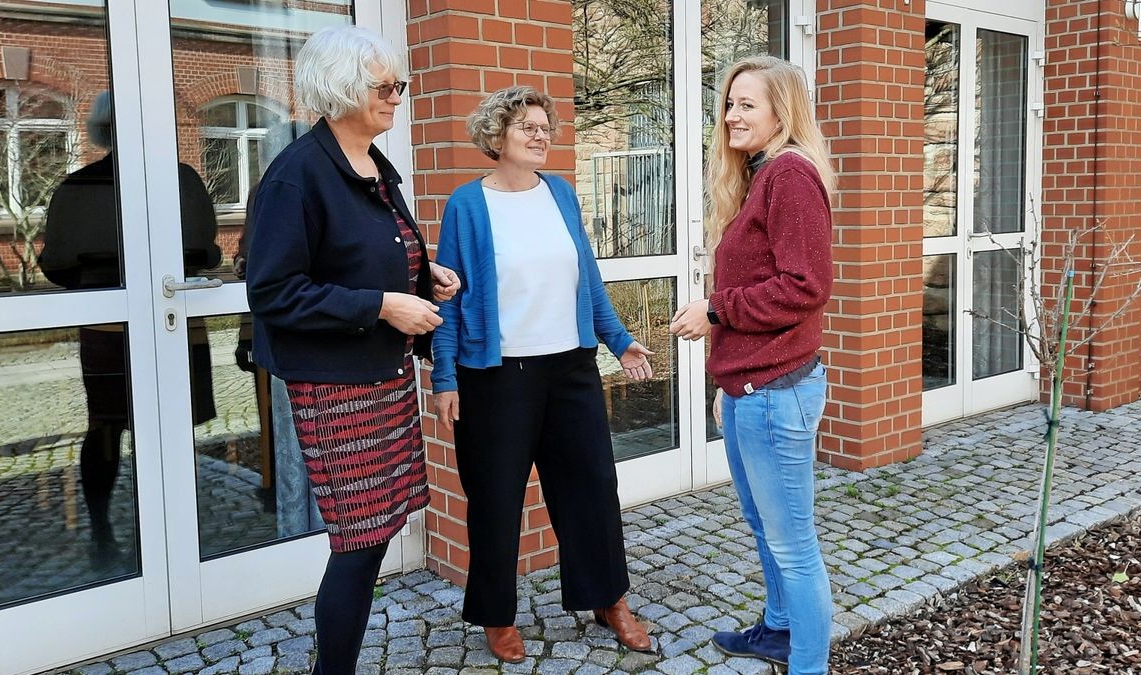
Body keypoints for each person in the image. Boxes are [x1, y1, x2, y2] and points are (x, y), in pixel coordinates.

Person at [244, 25, 459, 675]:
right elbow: (274, 292)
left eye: (401, 84)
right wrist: (382, 306)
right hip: (336, 384)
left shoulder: (374, 163)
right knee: (360, 540)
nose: (397, 96)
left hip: (382, 370)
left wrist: (424, 280)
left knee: (376, 532)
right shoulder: (297, 176)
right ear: (338, 91)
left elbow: (375, 255)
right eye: (384, 86)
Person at [431, 86, 655, 663]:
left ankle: (609, 598)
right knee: (496, 498)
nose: (540, 135)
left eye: (544, 127)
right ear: (496, 136)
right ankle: (496, 616)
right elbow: (448, 298)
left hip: (571, 368)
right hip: (496, 376)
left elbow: (589, 279)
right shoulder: (467, 205)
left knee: (592, 491)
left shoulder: (560, 195)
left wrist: (621, 341)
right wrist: (446, 378)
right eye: (526, 126)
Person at [669, 56, 836, 675]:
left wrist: (716, 310)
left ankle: (808, 664)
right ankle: (778, 630)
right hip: (751, 388)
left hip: (777, 391)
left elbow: (805, 286)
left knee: (794, 545)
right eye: (730, 103)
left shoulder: (790, 174)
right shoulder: (762, 175)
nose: (732, 115)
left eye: (748, 105)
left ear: (781, 113)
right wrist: (728, 382)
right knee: (767, 529)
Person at [40, 90, 220, 569]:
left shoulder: (80, 187)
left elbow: (55, 265)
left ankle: (110, 535)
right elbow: (208, 253)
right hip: (168, 322)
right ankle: (158, 542)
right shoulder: (180, 181)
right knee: (156, 431)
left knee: (108, 429)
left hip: (111, 325)